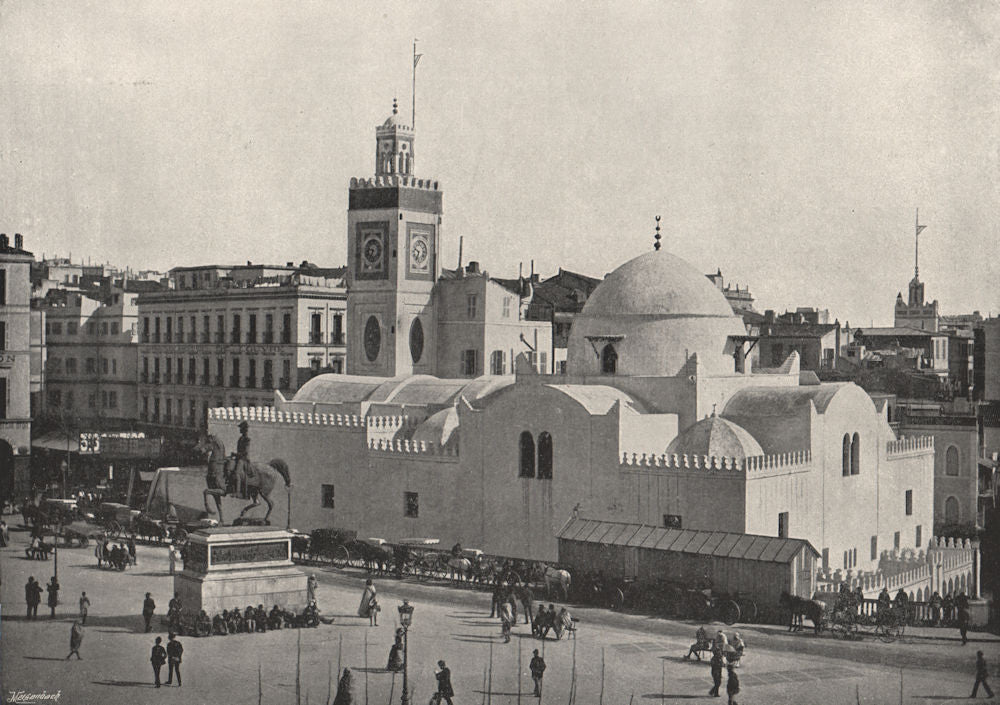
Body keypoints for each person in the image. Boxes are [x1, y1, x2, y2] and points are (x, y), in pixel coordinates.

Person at [235, 421, 251, 498]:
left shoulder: (247, 439)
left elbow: (245, 452)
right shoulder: (240, 438)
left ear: (244, 429)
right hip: (238, 458)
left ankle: (238, 492)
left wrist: (236, 454)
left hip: (243, 459)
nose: (240, 429)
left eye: (241, 428)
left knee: (237, 473)